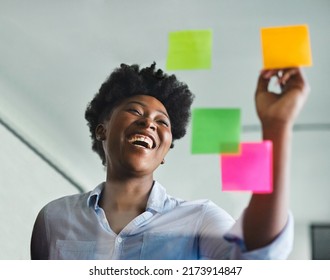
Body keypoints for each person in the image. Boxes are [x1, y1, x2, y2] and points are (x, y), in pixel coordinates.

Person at [30, 62, 309, 259]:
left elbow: (257, 257)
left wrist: (276, 125)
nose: (148, 123)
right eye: (135, 111)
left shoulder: (200, 219)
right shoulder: (53, 219)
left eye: (162, 122)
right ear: (101, 128)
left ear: (165, 152)